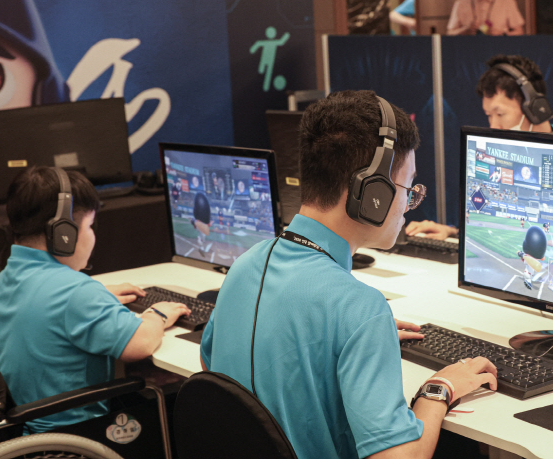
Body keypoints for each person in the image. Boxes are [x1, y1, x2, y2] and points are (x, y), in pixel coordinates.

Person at [200, 91, 497, 459]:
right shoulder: (360, 308)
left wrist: (335, 347)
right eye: (408, 189)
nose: (408, 205)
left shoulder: (247, 265)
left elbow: (213, 371)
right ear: (372, 193)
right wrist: (439, 388)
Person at [0, 167, 190, 433]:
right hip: (77, 435)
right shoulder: (76, 293)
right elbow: (142, 343)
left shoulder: (3, 281)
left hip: (25, 436)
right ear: (64, 233)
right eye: (89, 225)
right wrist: (158, 313)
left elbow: (43, 307)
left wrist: (96, 296)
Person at [406, 55, 553, 240]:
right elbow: (490, 232)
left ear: (535, 108)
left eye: (500, 114)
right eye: (489, 115)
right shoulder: (492, 162)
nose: (494, 126)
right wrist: (453, 234)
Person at [447, 0, 524, 36]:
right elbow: (450, 33)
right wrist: (465, 31)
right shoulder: (460, 3)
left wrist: (502, 34)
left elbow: (519, 31)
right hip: (469, 49)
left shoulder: (507, 1)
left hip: (499, 48)